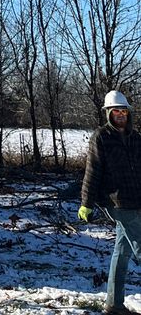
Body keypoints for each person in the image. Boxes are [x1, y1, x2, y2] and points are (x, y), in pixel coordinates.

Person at [79, 89, 141, 315]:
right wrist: (86, 201)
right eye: (116, 111)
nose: (121, 115)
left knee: (121, 252)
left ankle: (114, 305)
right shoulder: (101, 137)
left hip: (137, 200)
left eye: (124, 111)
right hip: (116, 202)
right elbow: (92, 170)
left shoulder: (136, 138)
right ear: (108, 114)